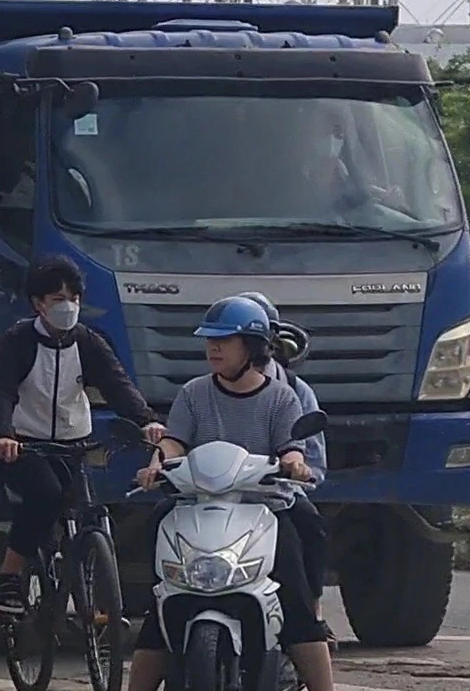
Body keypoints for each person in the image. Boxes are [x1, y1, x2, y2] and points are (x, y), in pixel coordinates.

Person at [128, 296, 334, 691]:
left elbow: (291, 445)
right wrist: (157, 463)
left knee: (295, 602)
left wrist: (295, 463)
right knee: (160, 599)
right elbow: (174, 442)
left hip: (265, 512)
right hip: (197, 507)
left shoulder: (281, 397)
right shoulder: (193, 393)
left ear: (252, 347)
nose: (213, 348)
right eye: (210, 340)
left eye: (225, 340)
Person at [0, 256, 162, 615]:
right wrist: (3, 435)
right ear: (38, 304)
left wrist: (146, 420)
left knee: (91, 510)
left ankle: (94, 596)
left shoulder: (88, 342)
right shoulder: (17, 341)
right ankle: (9, 574)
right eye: (58, 299)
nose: (69, 307)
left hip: (73, 443)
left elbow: (117, 383)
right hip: (24, 447)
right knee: (45, 495)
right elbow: (0, 392)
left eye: (74, 298)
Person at [240, 292, 334, 643]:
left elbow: (314, 461)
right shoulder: (200, 392)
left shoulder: (295, 392)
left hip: (277, 498)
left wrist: (296, 471)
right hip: (219, 496)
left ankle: (312, 613)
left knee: (309, 528)